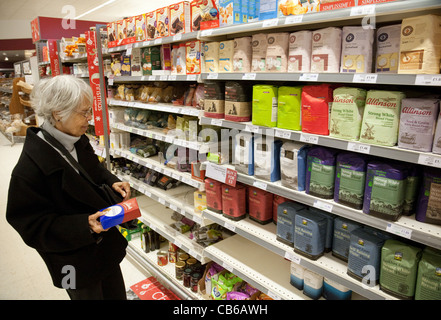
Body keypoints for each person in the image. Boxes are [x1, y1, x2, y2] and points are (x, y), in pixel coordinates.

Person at [6, 75, 131, 300]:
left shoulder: (76, 139)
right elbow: (30, 225)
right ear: (57, 113)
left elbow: (94, 169)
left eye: (89, 111)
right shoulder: (29, 168)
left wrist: (112, 180)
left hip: (105, 249)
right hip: (70, 262)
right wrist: (84, 225)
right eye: (83, 112)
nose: (89, 119)